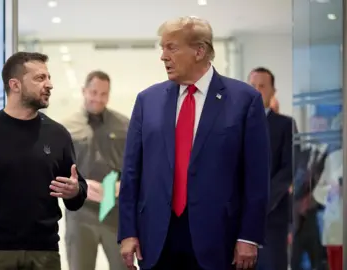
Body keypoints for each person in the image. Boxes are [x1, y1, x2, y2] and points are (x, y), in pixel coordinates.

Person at [118, 16, 270, 270]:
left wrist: (249, 236)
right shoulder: (147, 100)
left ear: (200, 51)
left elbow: (256, 176)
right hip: (156, 239)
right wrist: (128, 231)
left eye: (172, 47)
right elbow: (132, 171)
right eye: (162, 48)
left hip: (220, 239)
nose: (163, 56)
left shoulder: (245, 100)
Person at [0, 52, 88, 270]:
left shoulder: (58, 135)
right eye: (40, 78)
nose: (49, 84)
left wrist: (75, 191)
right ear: (15, 85)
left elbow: (76, 192)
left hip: (44, 254)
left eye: (49, 77)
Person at [62, 70, 129, 270]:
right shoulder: (66, 128)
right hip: (80, 211)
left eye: (103, 94)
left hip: (116, 211)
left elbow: (138, 166)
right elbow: (56, 169)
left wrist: (122, 185)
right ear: (84, 91)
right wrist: (78, 184)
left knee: (122, 266)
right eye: (94, 92)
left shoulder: (125, 125)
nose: (98, 99)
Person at [249, 67, 294, 270]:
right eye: (253, 86)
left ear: (272, 91)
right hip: (239, 220)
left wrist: (262, 201)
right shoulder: (233, 125)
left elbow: (289, 168)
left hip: (272, 218)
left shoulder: (285, 125)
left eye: (262, 86)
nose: (257, 91)